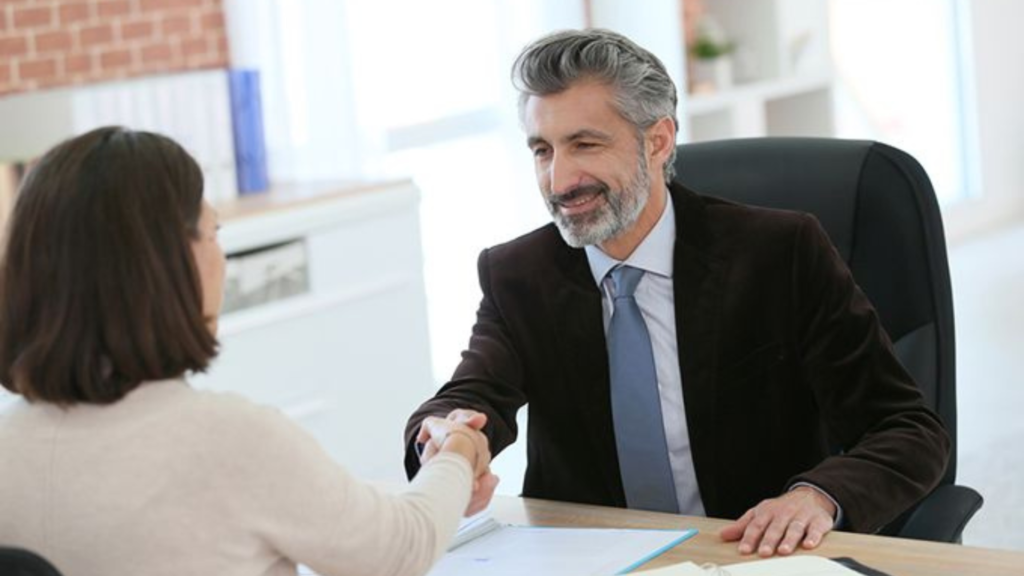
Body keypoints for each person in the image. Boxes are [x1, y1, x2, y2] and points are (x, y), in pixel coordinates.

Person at [405, 28, 950, 557]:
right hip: (594, 559)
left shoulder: (780, 253)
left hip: (750, 552)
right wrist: (451, 437)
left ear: (658, 140)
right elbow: (471, 397)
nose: (559, 180)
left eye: (585, 144)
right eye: (543, 150)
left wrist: (817, 498)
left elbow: (907, 430)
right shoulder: (518, 273)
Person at [0, 126, 492, 576]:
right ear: (168, 263)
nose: (222, 259)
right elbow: (399, 548)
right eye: (213, 233)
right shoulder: (227, 439)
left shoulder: (9, 446)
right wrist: (457, 452)